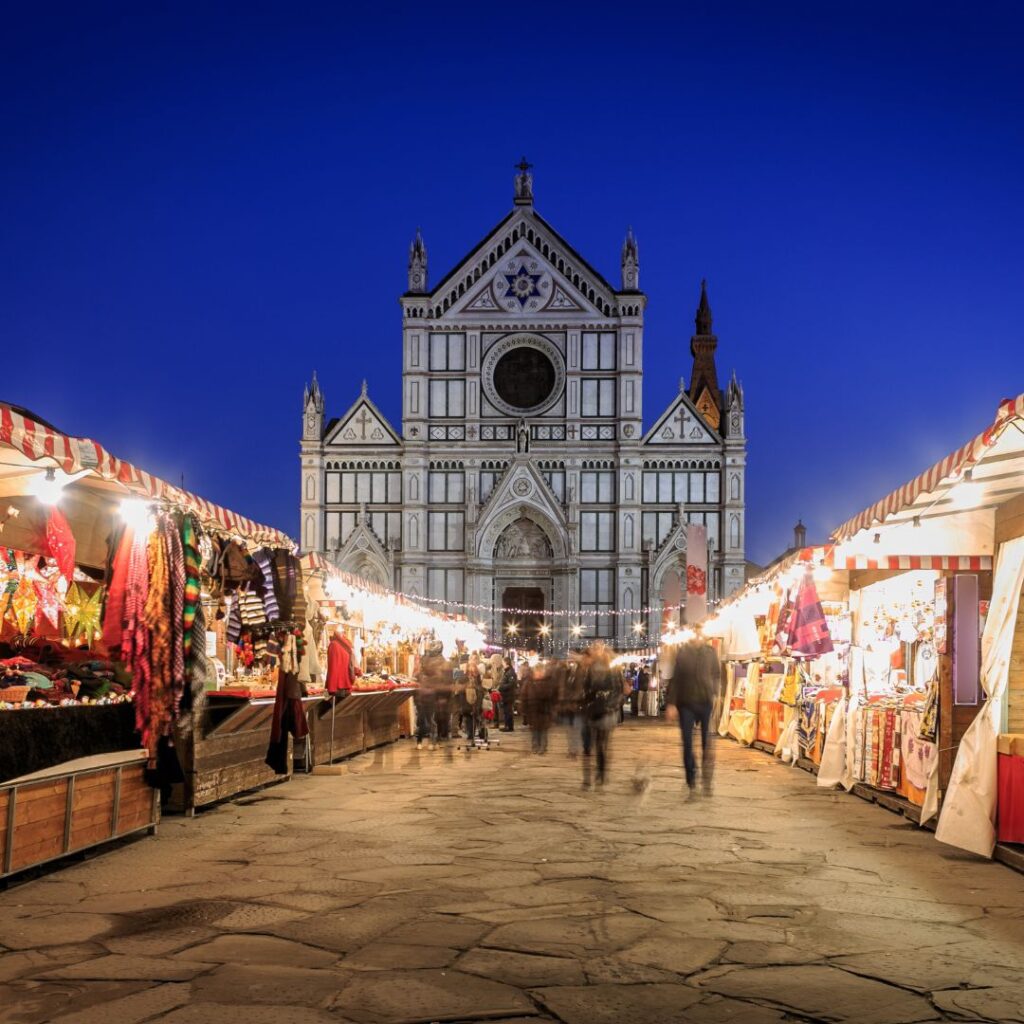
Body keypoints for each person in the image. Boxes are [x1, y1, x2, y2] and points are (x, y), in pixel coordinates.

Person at [666, 631, 720, 799]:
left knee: (706, 743)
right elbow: (676, 680)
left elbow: (717, 674)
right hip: (686, 703)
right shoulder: (683, 653)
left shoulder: (710, 652)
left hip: (705, 702)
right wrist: (672, 703)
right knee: (688, 744)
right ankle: (691, 782)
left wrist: (714, 691)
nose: (697, 636)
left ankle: (707, 780)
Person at [580, 642, 623, 789]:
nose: (596, 651)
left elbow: (619, 688)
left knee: (601, 744)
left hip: (606, 709)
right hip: (591, 709)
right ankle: (588, 778)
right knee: (587, 745)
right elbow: (585, 687)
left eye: (598, 648)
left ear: (603, 649)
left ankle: (601, 773)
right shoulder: (589, 668)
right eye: (594, 648)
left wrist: (612, 705)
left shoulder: (612, 666)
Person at [498, 658, 518, 731]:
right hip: (507, 695)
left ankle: (509, 726)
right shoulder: (507, 672)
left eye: (503, 662)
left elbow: (511, 684)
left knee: (508, 711)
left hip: (509, 695)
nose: (502, 664)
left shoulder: (510, 672)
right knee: (506, 711)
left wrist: (502, 687)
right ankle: (507, 725)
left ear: (506, 663)